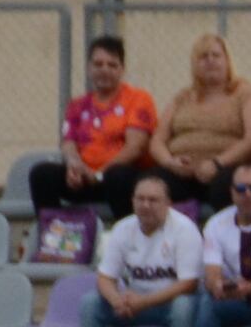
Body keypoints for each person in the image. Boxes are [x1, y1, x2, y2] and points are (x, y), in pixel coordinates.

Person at [145, 33, 251, 217]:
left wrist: (217, 164)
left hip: (224, 170)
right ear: (195, 64)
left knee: (226, 186)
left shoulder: (244, 93)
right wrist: (170, 162)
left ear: (227, 61)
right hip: (182, 173)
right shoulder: (183, 97)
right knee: (148, 183)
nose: (210, 61)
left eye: (216, 55)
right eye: (204, 57)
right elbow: (157, 140)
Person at [40, 33, 162, 216]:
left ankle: (127, 236)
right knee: (42, 174)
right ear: (89, 68)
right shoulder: (77, 104)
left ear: (122, 69)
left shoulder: (138, 99)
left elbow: (135, 147)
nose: (104, 70)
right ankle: (53, 235)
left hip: (120, 179)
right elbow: (68, 142)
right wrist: (75, 166)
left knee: (118, 176)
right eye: (98, 64)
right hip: (83, 179)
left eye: (112, 65)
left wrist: (100, 174)